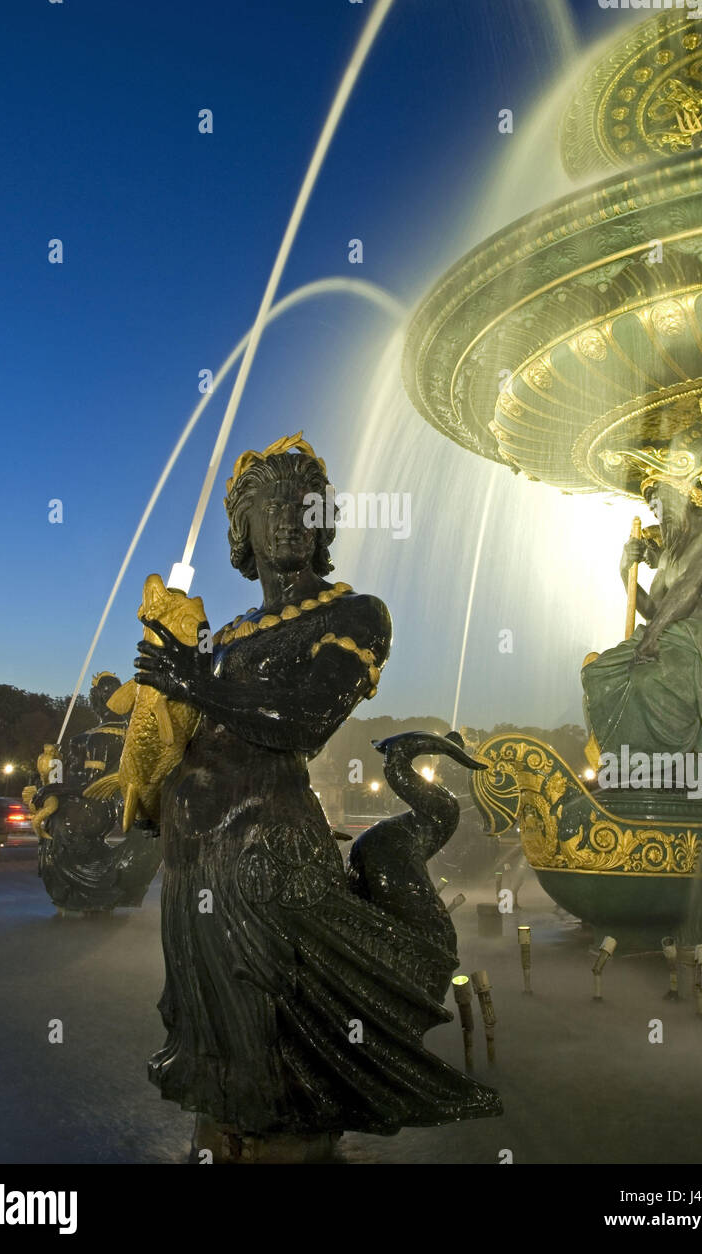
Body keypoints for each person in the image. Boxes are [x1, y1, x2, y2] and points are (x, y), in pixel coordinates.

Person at [134, 434, 501, 1156]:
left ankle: (287, 1140)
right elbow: (183, 732)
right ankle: (227, 1125)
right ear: (240, 528)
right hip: (194, 859)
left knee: (271, 1006)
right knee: (210, 1014)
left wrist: (196, 683)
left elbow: (303, 718)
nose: (287, 520)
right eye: (269, 506)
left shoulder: (354, 614)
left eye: (305, 506)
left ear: (325, 521)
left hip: (265, 854)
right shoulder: (227, 633)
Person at [582, 474, 702, 787]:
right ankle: (621, 762)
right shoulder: (669, 556)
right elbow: (656, 610)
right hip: (672, 635)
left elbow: (690, 587)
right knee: (598, 672)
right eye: (655, 510)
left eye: (666, 504)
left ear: (692, 499)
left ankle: (671, 767)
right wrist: (624, 572)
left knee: (648, 680)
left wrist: (652, 637)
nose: (660, 514)